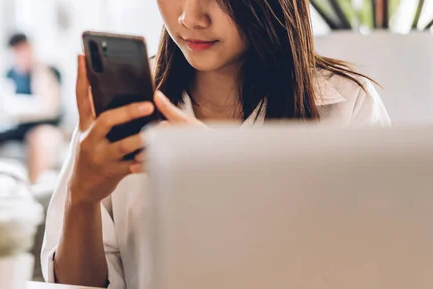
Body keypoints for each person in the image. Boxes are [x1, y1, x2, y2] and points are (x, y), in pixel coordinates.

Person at [42, 1, 390, 288]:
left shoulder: (348, 107)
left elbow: (376, 271)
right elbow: (78, 284)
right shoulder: (121, 109)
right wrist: (82, 199)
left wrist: (224, 177)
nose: (190, 18)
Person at [0, 33, 63, 183]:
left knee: (37, 138)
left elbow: (51, 108)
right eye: (16, 52)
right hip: (20, 124)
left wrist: (37, 70)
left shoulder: (46, 71)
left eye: (23, 50)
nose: (20, 56)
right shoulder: (11, 74)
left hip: (45, 123)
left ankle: (34, 187)